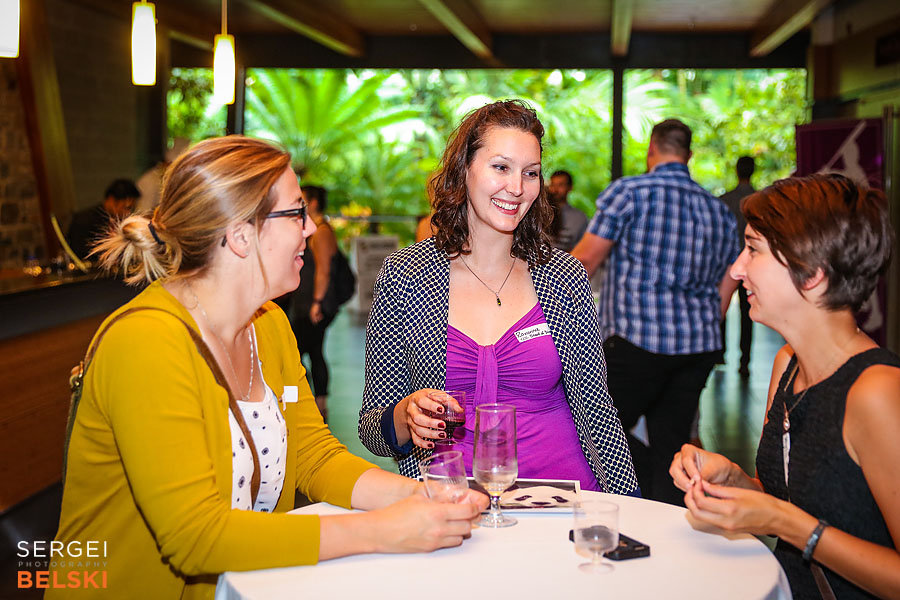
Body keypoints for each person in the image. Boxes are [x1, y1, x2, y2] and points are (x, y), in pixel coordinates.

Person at [51, 136, 487, 600]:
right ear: (240, 234)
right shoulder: (146, 343)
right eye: (297, 213)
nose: (312, 229)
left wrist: (418, 497)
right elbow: (195, 536)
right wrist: (381, 530)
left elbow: (312, 455)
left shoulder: (269, 325)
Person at [358, 100, 638, 496]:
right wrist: (406, 416)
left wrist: (628, 512)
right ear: (464, 169)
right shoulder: (407, 276)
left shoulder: (562, 276)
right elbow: (373, 430)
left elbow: (598, 410)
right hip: (449, 503)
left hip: (563, 499)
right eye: (501, 167)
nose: (517, 187)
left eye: (531, 173)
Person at [670, 174, 900, 600]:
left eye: (753, 249)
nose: (737, 268)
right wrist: (733, 480)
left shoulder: (878, 391)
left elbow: (790, 519)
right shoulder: (788, 365)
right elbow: (782, 497)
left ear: (812, 272)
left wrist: (785, 523)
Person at [571, 118, 738, 504]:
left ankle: (617, 507)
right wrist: (710, 319)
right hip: (696, 347)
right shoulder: (717, 211)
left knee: (591, 429)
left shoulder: (629, 193)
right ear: (689, 155)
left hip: (636, 343)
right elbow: (730, 280)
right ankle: (668, 525)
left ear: (652, 150)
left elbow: (584, 262)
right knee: (673, 446)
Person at [289, 184, 337, 421]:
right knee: (313, 352)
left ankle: (316, 404)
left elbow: (324, 271)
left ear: (314, 202)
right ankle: (315, 403)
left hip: (314, 304)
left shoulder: (321, 231)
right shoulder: (314, 229)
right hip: (306, 301)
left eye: (303, 201)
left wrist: (316, 302)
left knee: (308, 352)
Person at [719, 156, 755, 377]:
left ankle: (720, 353)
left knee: (721, 305)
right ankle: (745, 360)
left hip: (725, 263)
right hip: (751, 265)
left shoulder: (725, 200)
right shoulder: (759, 200)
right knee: (747, 312)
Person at [66, 178, 139, 260]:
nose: (128, 213)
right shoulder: (84, 220)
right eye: (126, 208)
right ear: (111, 200)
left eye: (132, 209)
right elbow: (81, 253)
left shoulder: (121, 220)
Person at [547, 170, 587, 252]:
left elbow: (583, 249)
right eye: (552, 184)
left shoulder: (580, 218)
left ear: (570, 187)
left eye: (560, 185)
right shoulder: (540, 213)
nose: (555, 190)